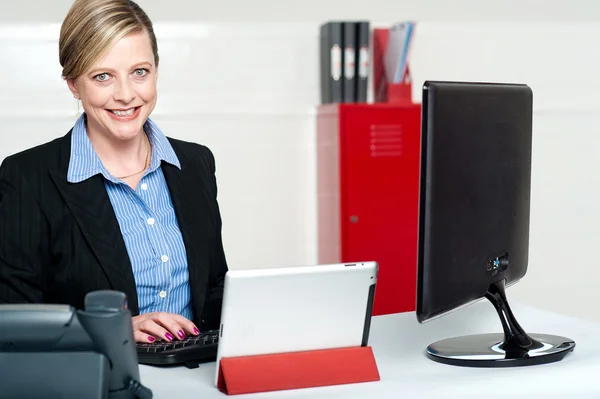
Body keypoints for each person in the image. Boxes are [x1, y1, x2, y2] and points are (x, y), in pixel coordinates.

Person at [0, 0, 228, 343]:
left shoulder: (195, 164)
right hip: (95, 384)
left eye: (140, 72)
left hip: (196, 377)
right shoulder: (26, 178)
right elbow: (13, 318)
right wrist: (112, 330)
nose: (125, 95)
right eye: (102, 76)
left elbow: (214, 287)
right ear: (74, 84)